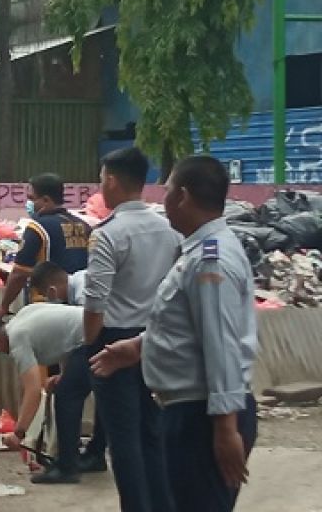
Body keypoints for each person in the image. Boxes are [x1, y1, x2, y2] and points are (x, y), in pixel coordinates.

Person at [92, 156, 258, 512]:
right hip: (191, 410)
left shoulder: (210, 259)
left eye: (166, 189)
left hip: (202, 415)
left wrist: (225, 428)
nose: (161, 198)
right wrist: (138, 348)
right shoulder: (197, 251)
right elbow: (188, 329)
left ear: (181, 196)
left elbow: (221, 343)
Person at [83, 147, 178, 512]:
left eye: (101, 179)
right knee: (152, 431)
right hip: (154, 337)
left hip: (114, 339)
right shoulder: (167, 227)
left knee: (123, 439)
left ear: (111, 180)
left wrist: (88, 344)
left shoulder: (109, 233)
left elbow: (95, 301)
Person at [0, 304, 86, 483]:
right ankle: (90, 456)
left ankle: (68, 468)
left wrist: (18, 433)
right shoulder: (22, 317)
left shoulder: (17, 339)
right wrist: (64, 374)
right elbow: (64, 338)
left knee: (65, 398)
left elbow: (33, 391)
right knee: (77, 392)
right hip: (93, 329)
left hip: (90, 337)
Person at [30, 261, 108, 474]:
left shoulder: (83, 290)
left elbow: (87, 332)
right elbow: (71, 339)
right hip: (110, 338)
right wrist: (65, 372)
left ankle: (67, 462)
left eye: (47, 295)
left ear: (52, 290)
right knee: (104, 395)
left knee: (67, 394)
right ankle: (95, 454)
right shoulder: (78, 285)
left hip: (104, 339)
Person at [0, 172, 92, 317]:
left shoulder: (38, 228)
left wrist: (3, 306)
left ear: (45, 200)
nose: (29, 204)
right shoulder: (84, 226)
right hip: (80, 305)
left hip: (46, 307)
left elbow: (19, 273)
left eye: (32, 198)